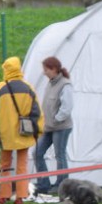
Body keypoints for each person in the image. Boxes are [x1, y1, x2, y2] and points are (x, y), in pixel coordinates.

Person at [0, 57, 44, 204]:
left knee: (5, 165)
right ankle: (20, 196)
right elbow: (36, 112)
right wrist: (37, 131)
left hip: (5, 134)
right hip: (23, 132)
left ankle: (3, 195)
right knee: (22, 165)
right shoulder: (28, 88)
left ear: (6, 69)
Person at [35, 56, 73, 194]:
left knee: (59, 155)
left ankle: (62, 185)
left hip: (61, 127)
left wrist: (56, 119)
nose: (44, 72)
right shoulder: (50, 83)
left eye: (46, 69)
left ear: (54, 69)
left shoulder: (65, 84)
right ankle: (43, 185)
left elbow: (67, 107)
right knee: (37, 153)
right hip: (49, 127)